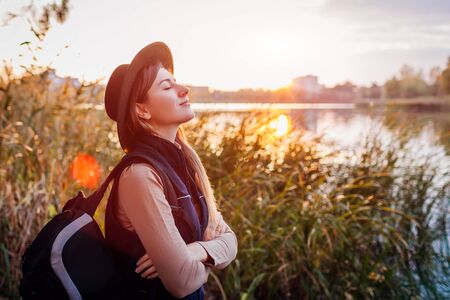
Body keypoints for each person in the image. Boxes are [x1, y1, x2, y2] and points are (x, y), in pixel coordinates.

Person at [103, 41, 238, 299]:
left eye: (176, 81)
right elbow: (183, 281)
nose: (184, 89)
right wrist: (205, 255)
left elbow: (231, 241)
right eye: (167, 86)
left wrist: (193, 251)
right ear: (142, 110)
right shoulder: (140, 175)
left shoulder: (185, 164)